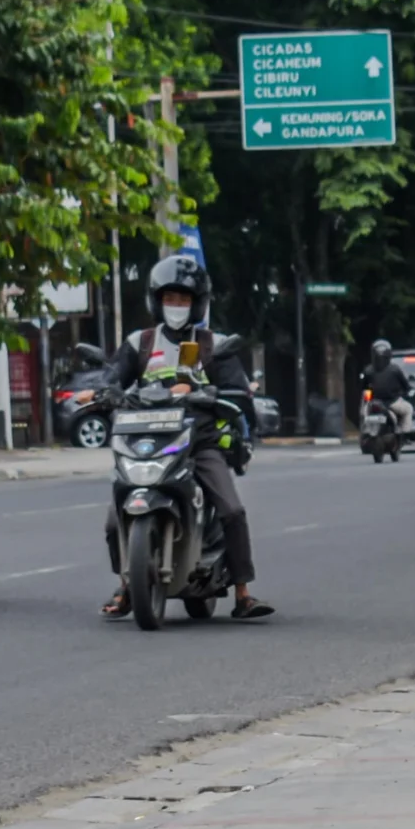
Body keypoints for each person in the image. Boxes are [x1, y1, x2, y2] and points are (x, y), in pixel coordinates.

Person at [98, 254, 271, 620]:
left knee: (232, 510)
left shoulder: (213, 345)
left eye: (184, 300)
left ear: (197, 303)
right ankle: (128, 586)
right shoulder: (140, 343)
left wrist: (221, 397)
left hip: (199, 443)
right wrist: (109, 391)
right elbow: (111, 377)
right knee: (115, 519)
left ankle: (243, 592)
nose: (176, 306)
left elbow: (237, 390)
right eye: (169, 299)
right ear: (156, 301)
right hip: (146, 441)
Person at [359, 338, 412, 441]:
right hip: (392, 403)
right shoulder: (395, 369)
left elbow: (363, 388)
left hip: (373, 403)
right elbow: (406, 386)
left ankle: (364, 433)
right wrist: (407, 392)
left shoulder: (368, 370)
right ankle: (405, 435)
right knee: (408, 409)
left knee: (363, 412)